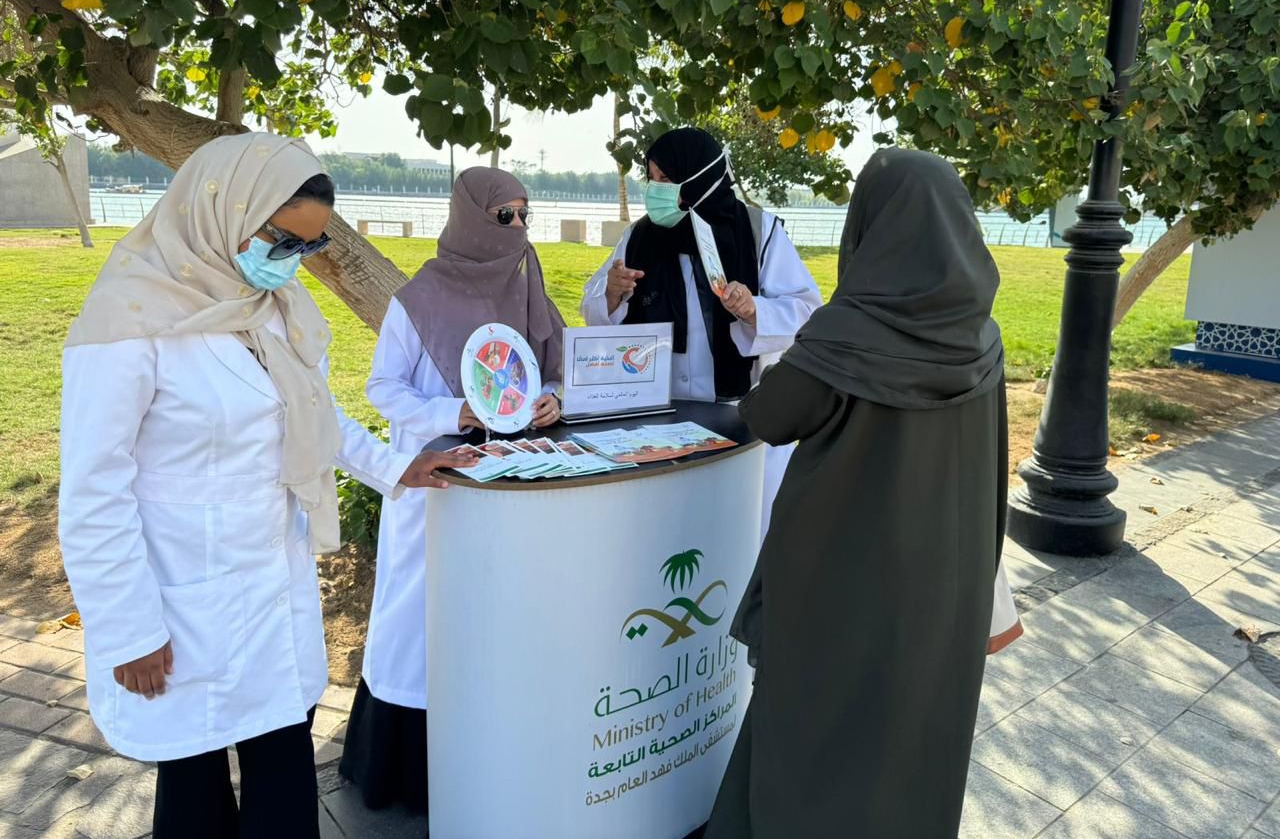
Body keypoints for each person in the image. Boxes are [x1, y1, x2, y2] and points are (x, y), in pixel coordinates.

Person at [57, 133, 476, 839]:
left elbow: (313, 411)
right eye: (280, 239)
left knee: (283, 762)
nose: (287, 262)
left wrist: (397, 467)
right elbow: (94, 491)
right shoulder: (127, 323)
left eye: (304, 249)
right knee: (193, 788)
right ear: (222, 210)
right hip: (179, 600)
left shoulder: (262, 308)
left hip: (270, 592)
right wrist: (127, 627)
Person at [705, 149, 1009, 838]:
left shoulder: (847, 334)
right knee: (913, 745)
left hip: (841, 587)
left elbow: (768, 417)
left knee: (809, 741)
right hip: (943, 591)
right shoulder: (982, 339)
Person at [340, 167, 566, 813]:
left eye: (526, 214)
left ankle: (483, 754)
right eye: (505, 217)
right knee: (419, 613)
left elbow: (550, 371)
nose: (519, 228)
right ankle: (400, 767)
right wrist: (453, 413)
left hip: (509, 479)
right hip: (432, 481)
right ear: (470, 216)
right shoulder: (421, 296)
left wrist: (550, 400)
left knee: (491, 616)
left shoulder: (527, 288)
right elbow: (383, 388)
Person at [580, 127, 822, 536]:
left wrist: (753, 311)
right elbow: (594, 309)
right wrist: (612, 294)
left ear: (698, 178)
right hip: (658, 417)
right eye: (651, 179)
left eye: (665, 180)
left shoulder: (759, 232)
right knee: (669, 534)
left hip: (740, 415)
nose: (654, 190)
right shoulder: (638, 236)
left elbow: (806, 313)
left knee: (740, 533)